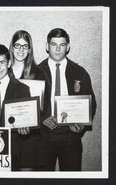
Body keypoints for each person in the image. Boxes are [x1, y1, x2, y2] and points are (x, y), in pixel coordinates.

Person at [38, 28, 97, 171]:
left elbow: (91, 104)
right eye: (53, 44)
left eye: (62, 45)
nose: (58, 49)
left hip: (71, 136)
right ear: (47, 46)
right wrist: (42, 119)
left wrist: (81, 124)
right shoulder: (36, 71)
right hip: (43, 136)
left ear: (68, 47)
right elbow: (29, 103)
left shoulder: (80, 72)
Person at [8, 30, 51, 170]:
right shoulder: (3, 70)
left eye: (25, 46)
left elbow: (45, 105)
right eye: (17, 45)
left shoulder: (39, 73)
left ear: (30, 49)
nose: (21, 49)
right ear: (12, 47)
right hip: (8, 133)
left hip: (30, 136)